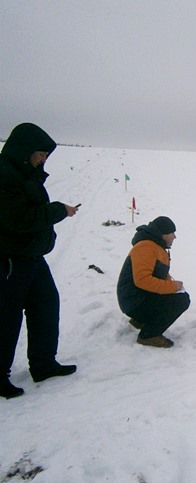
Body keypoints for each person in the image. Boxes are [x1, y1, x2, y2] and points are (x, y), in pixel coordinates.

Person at [0, 123, 79, 399]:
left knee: (46, 307)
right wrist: (58, 210)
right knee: (6, 319)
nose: (44, 159)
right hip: (11, 261)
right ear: (25, 150)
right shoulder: (5, 175)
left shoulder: (26, 173)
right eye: (41, 154)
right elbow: (18, 220)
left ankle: (43, 364)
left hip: (33, 258)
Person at [117, 216, 190, 348]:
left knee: (178, 295)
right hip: (134, 302)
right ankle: (149, 335)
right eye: (172, 233)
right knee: (182, 301)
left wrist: (173, 284)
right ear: (163, 234)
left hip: (139, 298)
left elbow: (157, 272)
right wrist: (172, 287)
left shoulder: (154, 246)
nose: (174, 237)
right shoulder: (145, 247)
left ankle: (141, 321)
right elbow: (143, 280)